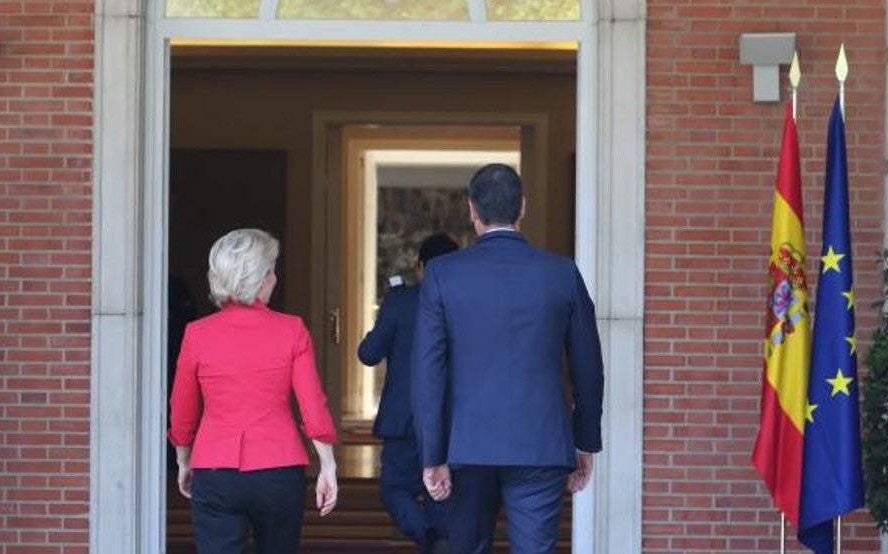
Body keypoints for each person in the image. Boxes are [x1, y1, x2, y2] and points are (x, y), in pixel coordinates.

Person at [411, 164, 604, 553]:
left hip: (464, 444)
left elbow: (427, 372)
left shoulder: (443, 274)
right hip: (541, 442)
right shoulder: (561, 273)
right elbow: (588, 366)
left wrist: (432, 454)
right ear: (524, 208)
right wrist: (585, 442)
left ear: (471, 210)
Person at [169, 229, 339, 554]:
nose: (275, 278)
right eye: (272, 270)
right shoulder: (292, 330)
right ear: (261, 279)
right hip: (278, 469)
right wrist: (327, 465)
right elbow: (312, 404)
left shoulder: (197, 334)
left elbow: (183, 409)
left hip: (215, 469)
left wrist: (184, 460)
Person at [358, 232, 460, 552]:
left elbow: (368, 353)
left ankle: (425, 535)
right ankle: (437, 539)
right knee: (442, 493)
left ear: (420, 267)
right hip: (449, 421)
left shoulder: (400, 301)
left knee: (394, 490)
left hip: (403, 420)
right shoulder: (464, 305)